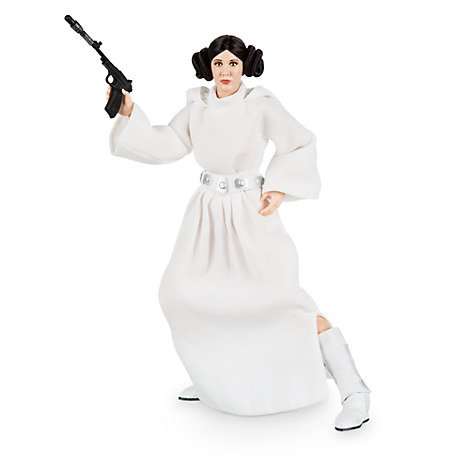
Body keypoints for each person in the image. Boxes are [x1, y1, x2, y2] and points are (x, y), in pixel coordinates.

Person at [107, 35, 371, 431]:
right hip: (206, 214)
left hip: (250, 212)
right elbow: (170, 142)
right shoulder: (197, 105)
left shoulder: (260, 104)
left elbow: (299, 143)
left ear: (245, 66)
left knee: (278, 301)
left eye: (233, 63)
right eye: (219, 64)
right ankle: (215, 379)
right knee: (184, 293)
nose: (226, 71)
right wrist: (129, 112)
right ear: (208, 67)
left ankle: (354, 389)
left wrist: (278, 187)